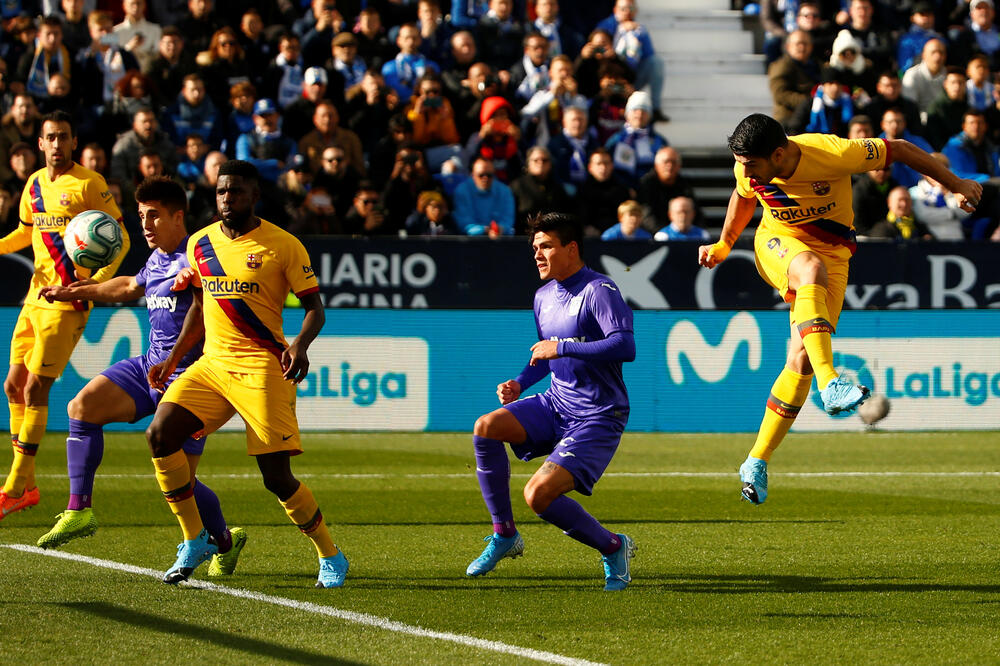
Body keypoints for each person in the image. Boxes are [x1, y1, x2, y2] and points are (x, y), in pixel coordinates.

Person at [699, 113, 981, 506]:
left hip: (834, 255)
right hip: (778, 244)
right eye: (741, 163)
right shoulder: (749, 163)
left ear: (779, 155)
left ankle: (756, 461)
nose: (743, 170)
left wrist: (957, 185)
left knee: (800, 359)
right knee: (808, 271)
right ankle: (832, 382)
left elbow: (897, 150)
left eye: (750, 164)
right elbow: (742, 196)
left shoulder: (833, 152)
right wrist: (725, 245)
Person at [144, 160, 346, 587]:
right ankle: (195, 538)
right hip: (212, 365)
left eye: (235, 192)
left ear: (255, 196)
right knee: (160, 434)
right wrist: (174, 356)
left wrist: (299, 345)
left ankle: (330, 555)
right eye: (220, 192)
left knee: (276, 478)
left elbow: (315, 309)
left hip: (261, 369)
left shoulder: (283, 244)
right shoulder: (200, 243)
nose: (226, 199)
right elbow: (199, 307)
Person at [33, 176, 246, 577]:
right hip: (151, 367)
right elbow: (130, 285)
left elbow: (202, 315)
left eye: (153, 216)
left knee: (178, 478)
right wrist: (79, 290)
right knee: (82, 406)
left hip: (193, 381)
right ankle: (79, 510)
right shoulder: (159, 258)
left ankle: (218, 540)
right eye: (141, 216)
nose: (145, 225)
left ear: (177, 216)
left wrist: (174, 360)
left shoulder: (199, 254)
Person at [467, 212, 636, 591]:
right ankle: (505, 535)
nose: (537, 255)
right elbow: (545, 356)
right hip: (555, 402)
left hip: (598, 413)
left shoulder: (599, 290)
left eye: (545, 246)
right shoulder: (543, 296)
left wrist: (560, 346)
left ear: (571, 248)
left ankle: (613, 546)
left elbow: (625, 345)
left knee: (538, 495)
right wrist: (519, 383)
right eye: (534, 248)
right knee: (486, 428)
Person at [0, 110, 130, 520]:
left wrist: (97, 282)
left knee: (37, 389)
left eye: (64, 137)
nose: (57, 144)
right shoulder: (34, 184)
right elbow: (27, 232)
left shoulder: (90, 184)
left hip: (67, 302)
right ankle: (30, 487)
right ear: (40, 143)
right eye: (50, 137)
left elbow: (121, 237)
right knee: (13, 387)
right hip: (33, 299)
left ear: (74, 143)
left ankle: (15, 485)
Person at [453, 155, 515, 236]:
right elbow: (464, 223)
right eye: (481, 175)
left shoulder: (505, 191)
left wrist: (500, 229)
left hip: (499, 240)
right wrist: (485, 230)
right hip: (470, 242)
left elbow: (508, 221)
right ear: (472, 175)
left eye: (489, 175)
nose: (485, 178)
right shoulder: (461, 191)